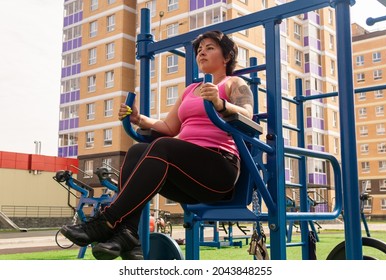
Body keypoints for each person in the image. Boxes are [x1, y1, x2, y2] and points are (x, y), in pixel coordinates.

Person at [60, 30, 254, 260]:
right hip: (187, 174)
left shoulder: (234, 83)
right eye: (199, 49)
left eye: (210, 47)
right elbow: (169, 127)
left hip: (218, 170)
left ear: (227, 56)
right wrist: (138, 118)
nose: (202, 52)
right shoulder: (190, 90)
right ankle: (129, 234)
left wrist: (219, 102)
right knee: (137, 150)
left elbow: (248, 116)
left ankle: (108, 220)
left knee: (162, 146)